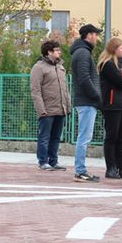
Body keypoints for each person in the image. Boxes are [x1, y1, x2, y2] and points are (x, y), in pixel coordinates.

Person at [30, 39, 70, 171]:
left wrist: (67, 106)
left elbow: (65, 89)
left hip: (60, 109)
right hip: (47, 110)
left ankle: (53, 161)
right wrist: (41, 110)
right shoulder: (38, 67)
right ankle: (43, 161)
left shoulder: (60, 67)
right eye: (57, 50)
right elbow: (35, 91)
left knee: (56, 137)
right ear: (49, 52)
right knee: (44, 136)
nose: (60, 52)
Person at [98, 38, 122, 179]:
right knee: (112, 136)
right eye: (121, 48)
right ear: (114, 49)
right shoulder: (107, 65)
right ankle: (111, 168)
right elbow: (119, 82)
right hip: (113, 105)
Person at [70, 23, 102, 182]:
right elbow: (84, 78)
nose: (97, 38)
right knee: (84, 138)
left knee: (84, 137)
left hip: (86, 101)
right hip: (86, 101)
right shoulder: (83, 53)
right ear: (89, 35)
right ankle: (80, 171)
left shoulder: (81, 52)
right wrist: (96, 96)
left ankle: (81, 170)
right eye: (96, 34)